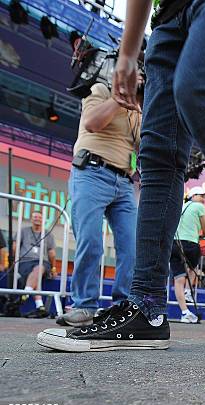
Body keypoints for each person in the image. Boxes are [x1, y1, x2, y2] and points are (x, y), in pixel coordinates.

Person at [37, 0, 205, 355]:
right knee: (157, 157)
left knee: (200, 90)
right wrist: (128, 51)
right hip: (166, 21)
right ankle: (146, 308)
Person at [58, 80, 141, 328]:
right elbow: (92, 122)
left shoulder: (137, 110)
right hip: (92, 172)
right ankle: (85, 306)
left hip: (125, 182)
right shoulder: (101, 89)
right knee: (91, 241)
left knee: (131, 247)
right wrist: (118, 99)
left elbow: (140, 145)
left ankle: (123, 306)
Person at [170, 187, 205, 324]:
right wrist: (202, 235)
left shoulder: (181, 206)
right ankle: (188, 291)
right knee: (193, 268)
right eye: (201, 195)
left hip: (175, 244)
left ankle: (185, 312)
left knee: (178, 279)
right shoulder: (199, 206)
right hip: (191, 243)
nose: (204, 199)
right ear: (193, 196)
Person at [15, 211, 57, 319]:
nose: (37, 219)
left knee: (39, 268)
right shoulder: (23, 231)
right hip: (25, 261)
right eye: (35, 217)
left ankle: (25, 294)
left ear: (43, 220)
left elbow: (52, 254)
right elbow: (14, 247)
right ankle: (40, 306)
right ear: (31, 219)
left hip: (42, 262)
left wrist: (53, 268)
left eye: (39, 217)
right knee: (36, 275)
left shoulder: (48, 234)